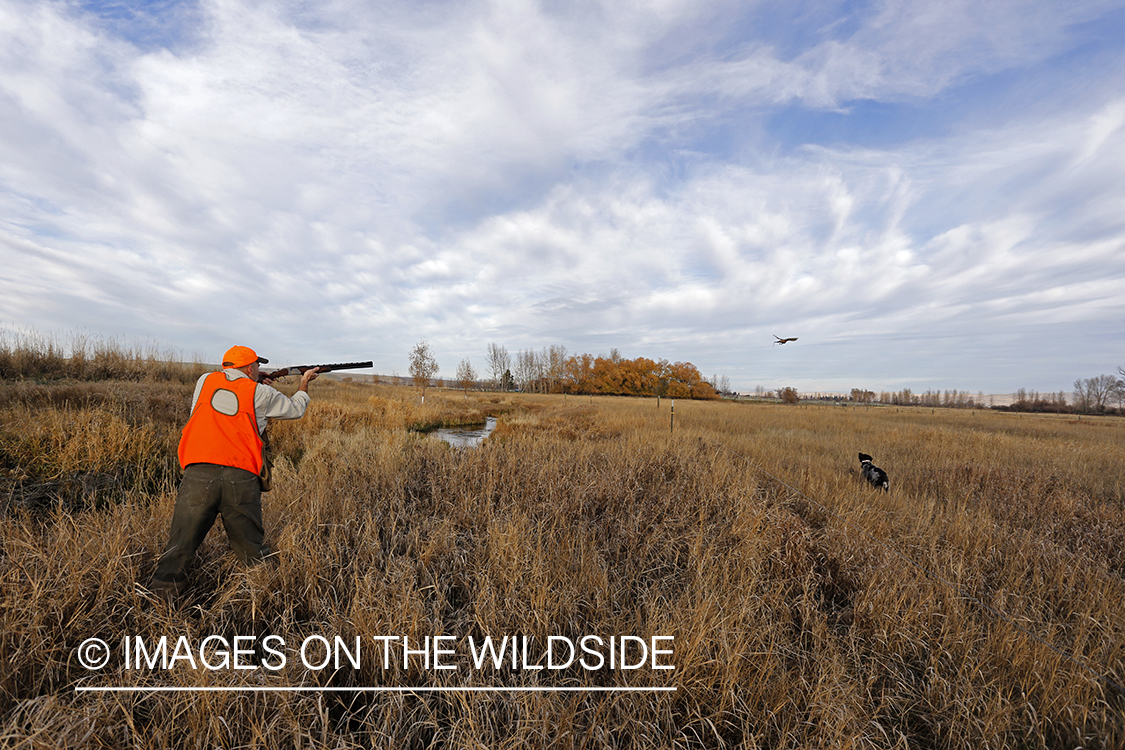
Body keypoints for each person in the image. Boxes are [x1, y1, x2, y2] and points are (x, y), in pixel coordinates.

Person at [149, 345, 319, 603]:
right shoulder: (261, 393)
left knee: (180, 545)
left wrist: (254, 381)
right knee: (252, 550)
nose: (259, 370)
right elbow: (296, 408)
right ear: (251, 368)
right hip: (240, 478)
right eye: (257, 367)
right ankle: (265, 599)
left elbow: (230, 390)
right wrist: (304, 382)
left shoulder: (204, 381)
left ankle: (158, 603)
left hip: (198, 475)